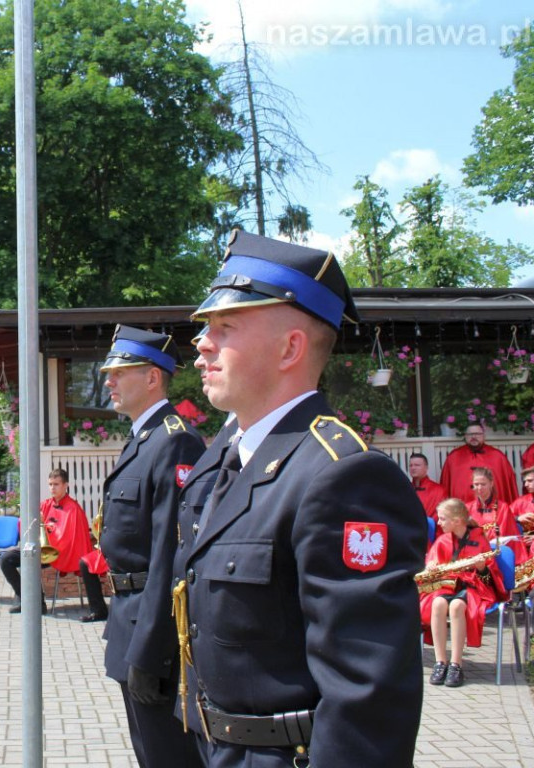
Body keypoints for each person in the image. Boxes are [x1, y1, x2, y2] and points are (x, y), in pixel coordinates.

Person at [173, 230, 427, 767]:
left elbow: (368, 699)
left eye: (225, 328)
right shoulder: (221, 462)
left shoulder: (343, 478)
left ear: (290, 347)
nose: (201, 344)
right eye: (206, 330)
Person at [96, 324, 206, 768]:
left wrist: (151, 649)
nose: (108, 381)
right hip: (130, 616)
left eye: (118, 372)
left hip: (153, 627)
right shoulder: (144, 439)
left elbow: (170, 553)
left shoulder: (174, 439)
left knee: (168, 756)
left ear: (152, 378)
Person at [0, 467, 108, 618]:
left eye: (56, 484)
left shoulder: (73, 509)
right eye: (50, 484)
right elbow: (28, 524)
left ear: (65, 485)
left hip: (59, 553)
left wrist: (48, 529)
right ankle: (29, 599)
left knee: (31, 559)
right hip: (42, 550)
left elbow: (67, 538)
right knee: (5, 560)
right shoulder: (46, 504)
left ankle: (34, 602)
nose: (52, 488)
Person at [420, 497, 506, 688]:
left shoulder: (479, 539)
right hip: (446, 585)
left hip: (473, 588)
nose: (438, 522)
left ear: (457, 521)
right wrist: (431, 567)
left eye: (442, 519)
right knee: (438, 604)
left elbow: (489, 580)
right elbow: (430, 571)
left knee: (458, 606)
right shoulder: (442, 540)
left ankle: (456, 664)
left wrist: (482, 568)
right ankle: (440, 661)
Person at [439, 424, 519, 505]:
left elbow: (508, 485)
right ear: (465, 436)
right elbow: (445, 485)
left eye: (477, 434)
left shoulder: (498, 456)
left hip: (492, 508)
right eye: (470, 434)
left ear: (483, 436)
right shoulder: (453, 457)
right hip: (461, 509)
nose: (474, 436)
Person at [466, 466, 527, 564]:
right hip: (472, 554)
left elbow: (503, 534)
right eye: (476, 484)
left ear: (491, 484)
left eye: (483, 484)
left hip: (497, 553)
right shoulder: (467, 508)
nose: (479, 488)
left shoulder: (503, 507)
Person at [409, 452, 447, 519]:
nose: (413, 468)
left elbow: (442, 517)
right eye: (411, 465)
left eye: (417, 465)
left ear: (426, 467)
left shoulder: (439, 491)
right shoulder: (405, 489)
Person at [511, 465, 534, 532]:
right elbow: (503, 516)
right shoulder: (521, 501)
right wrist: (518, 518)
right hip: (525, 540)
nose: (526, 484)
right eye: (525, 481)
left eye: (530, 481)